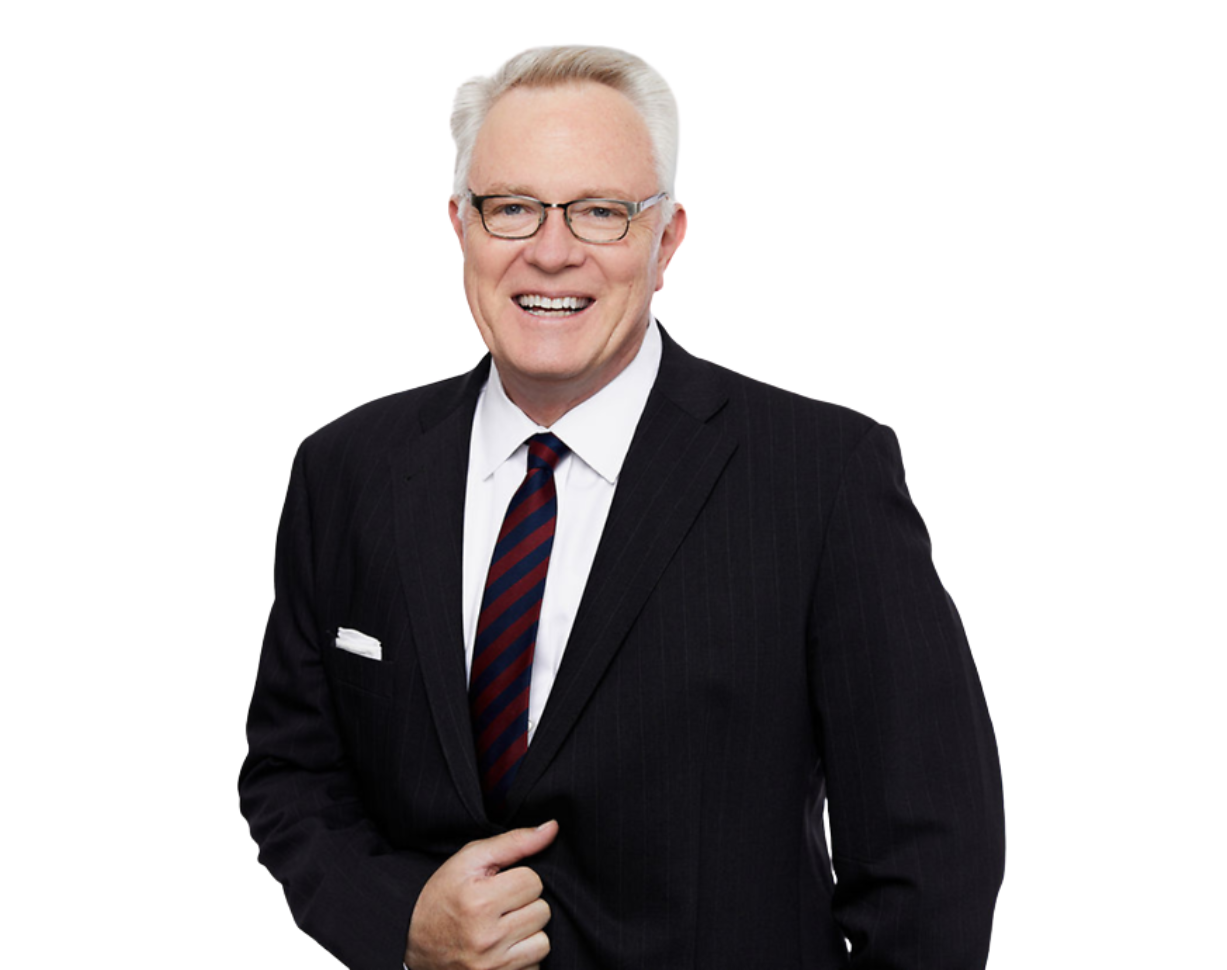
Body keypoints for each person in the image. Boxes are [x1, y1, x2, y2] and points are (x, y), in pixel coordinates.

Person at [242, 43, 1005, 969]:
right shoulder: (347, 469)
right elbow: (292, 775)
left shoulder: (826, 474)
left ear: (667, 238)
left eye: (601, 213)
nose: (551, 252)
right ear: (458, 223)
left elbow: (931, 852)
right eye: (512, 207)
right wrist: (400, 920)